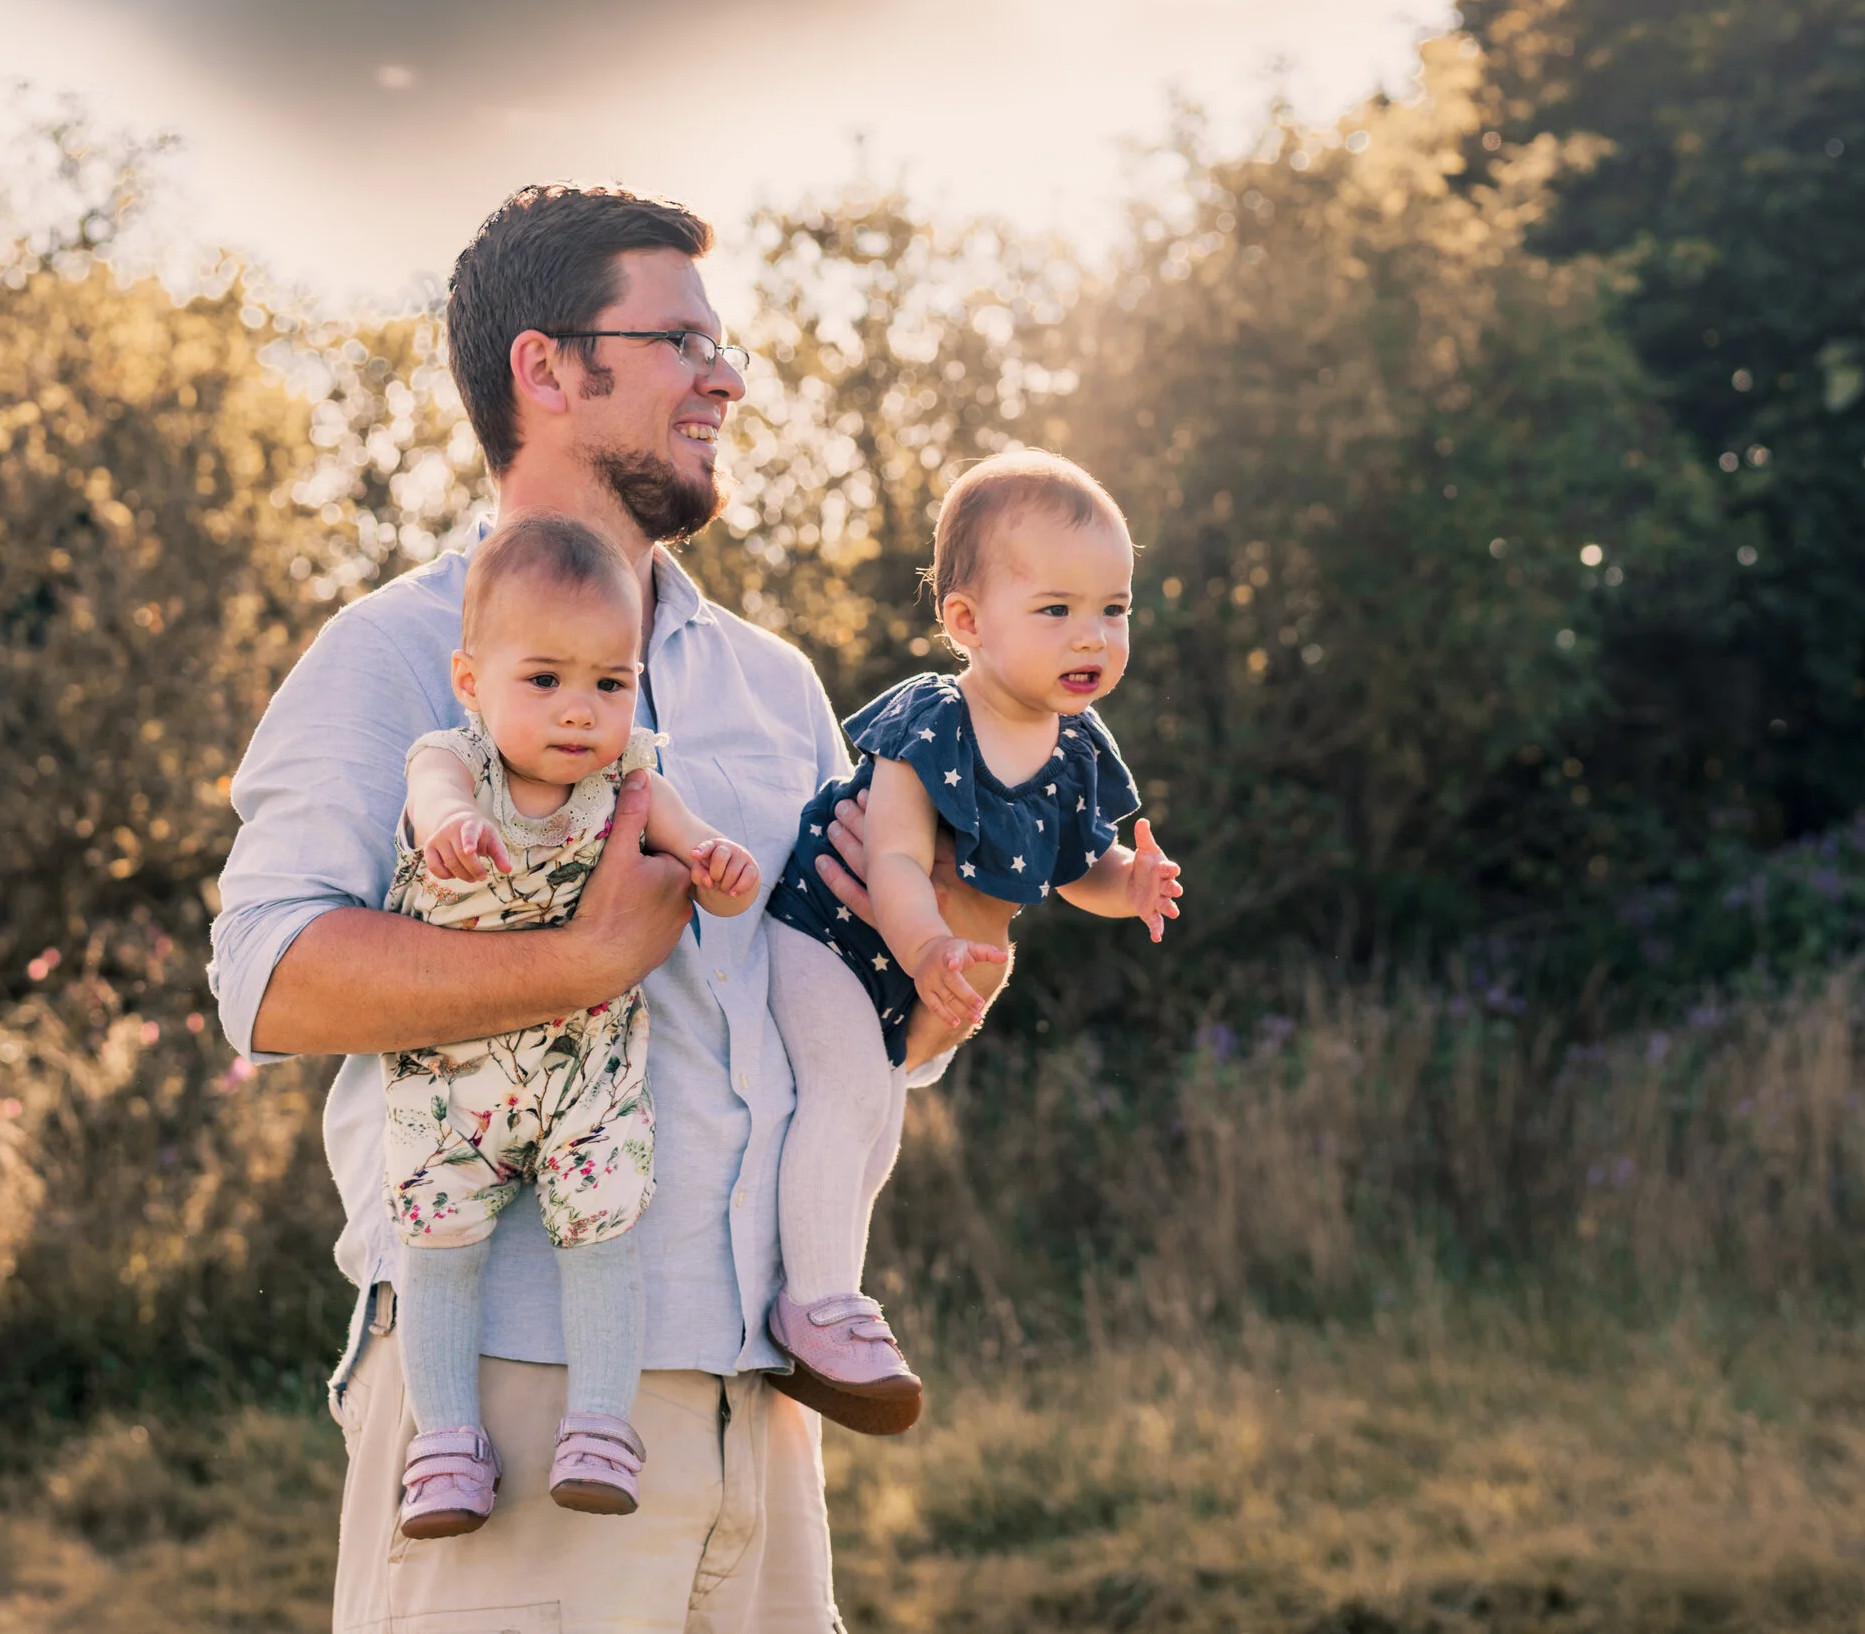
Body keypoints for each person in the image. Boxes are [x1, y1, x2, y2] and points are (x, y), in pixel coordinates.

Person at [209, 183, 1007, 1632]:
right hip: (507, 1403)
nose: (727, 376)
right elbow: (268, 975)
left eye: (726, 343)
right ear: (547, 367)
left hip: (757, 1403)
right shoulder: (399, 650)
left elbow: (830, 1023)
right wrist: (575, 962)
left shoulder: (773, 685)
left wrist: (937, 996)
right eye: (680, 340)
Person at [760, 453, 1183, 1431]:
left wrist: (1134, 884)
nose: (1092, 636)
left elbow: (1082, 867)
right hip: (824, 937)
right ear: (966, 623)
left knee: (871, 1131)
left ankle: (807, 1294)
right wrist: (925, 957)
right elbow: (897, 864)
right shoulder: (934, 719)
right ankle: (817, 1304)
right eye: (1055, 610)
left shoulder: (1077, 748)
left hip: (917, 969)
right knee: (848, 1094)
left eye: (1112, 610)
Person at [382, 510, 758, 1537]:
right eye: (543, 680)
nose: (579, 709)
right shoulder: (453, 762)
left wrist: (719, 867)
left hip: (585, 1072)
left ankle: (598, 1428)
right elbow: (432, 799)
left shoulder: (630, 778)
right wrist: (452, 831)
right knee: (439, 1246)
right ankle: (445, 1445)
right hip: (449, 1081)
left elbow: (701, 856)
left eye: (608, 680)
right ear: (472, 681)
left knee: (601, 1237)